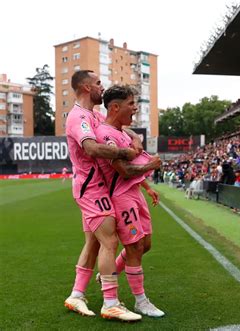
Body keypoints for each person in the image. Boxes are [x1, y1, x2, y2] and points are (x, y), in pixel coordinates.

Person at [64, 70, 141, 321]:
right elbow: (91, 148)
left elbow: (113, 124)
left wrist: (133, 135)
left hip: (95, 187)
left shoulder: (93, 115)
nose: (102, 87)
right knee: (110, 242)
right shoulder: (78, 118)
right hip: (92, 188)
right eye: (98, 83)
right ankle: (110, 303)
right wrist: (124, 153)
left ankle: (76, 295)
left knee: (94, 243)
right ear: (86, 88)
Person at [94, 85, 164, 317]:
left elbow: (131, 167)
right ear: (115, 107)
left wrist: (147, 186)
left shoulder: (122, 132)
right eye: (131, 104)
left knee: (146, 245)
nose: (135, 108)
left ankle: (109, 269)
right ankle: (140, 301)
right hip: (122, 197)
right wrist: (151, 166)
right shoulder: (106, 135)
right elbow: (123, 170)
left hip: (135, 192)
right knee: (134, 247)